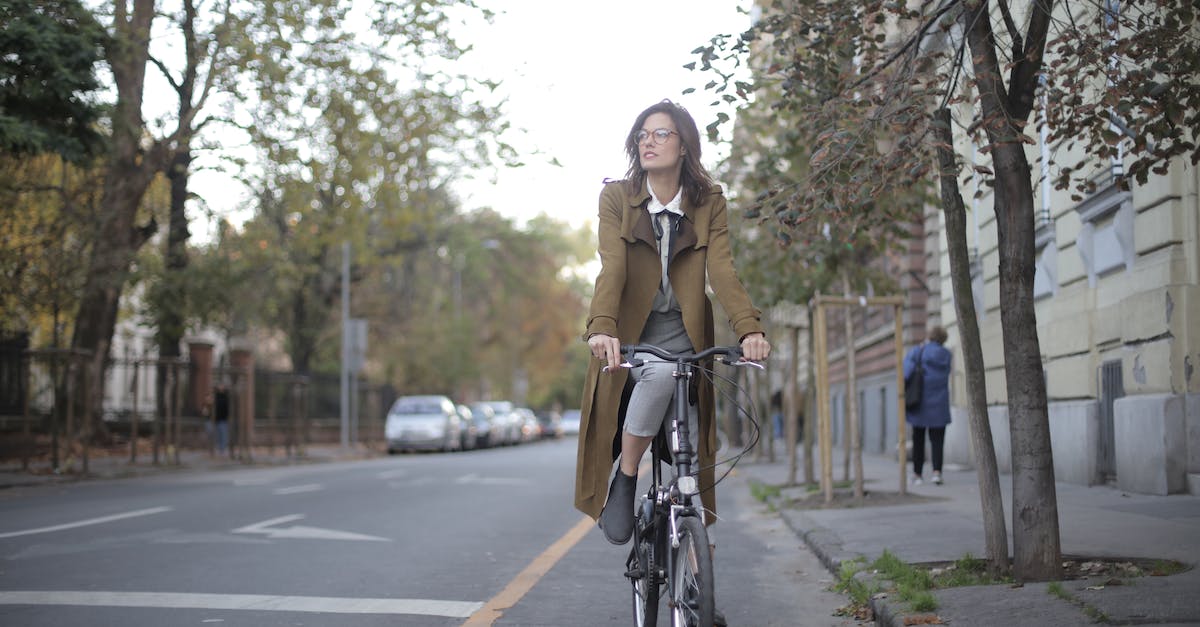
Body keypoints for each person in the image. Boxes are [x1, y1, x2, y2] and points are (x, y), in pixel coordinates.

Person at [574, 100, 771, 551]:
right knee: (661, 373)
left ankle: (699, 586)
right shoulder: (618, 198)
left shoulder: (709, 201)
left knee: (692, 464)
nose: (649, 141)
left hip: (687, 340)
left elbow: (721, 269)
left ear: (684, 146)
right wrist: (602, 326)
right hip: (630, 342)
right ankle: (625, 478)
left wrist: (749, 329)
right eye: (643, 134)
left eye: (661, 133)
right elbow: (613, 267)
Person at [903, 325, 952, 485]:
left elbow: (906, 372)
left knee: (918, 439)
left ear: (930, 336)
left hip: (920, 402)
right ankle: (937, 473)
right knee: (938, 439)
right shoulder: (947, 355)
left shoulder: (920, 351)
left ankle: (917, 475)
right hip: (940, 402)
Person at [212, 382, 230, 456]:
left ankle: (222, 449)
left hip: (224, 419)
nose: (221, 388)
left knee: (224, 435)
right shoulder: (216, 396)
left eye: (222, 386)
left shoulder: (226, 396)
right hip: (216, 419)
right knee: (218, 435)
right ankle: (219, 449)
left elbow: (227, 407)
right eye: (219, 386)